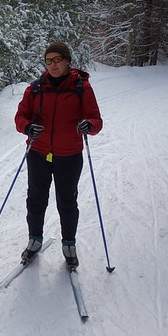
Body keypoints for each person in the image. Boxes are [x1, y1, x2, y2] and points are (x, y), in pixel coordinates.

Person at [14, 41, 102, 269]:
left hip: (69, 155)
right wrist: (27, 127)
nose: (52, 65)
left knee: (66, 201)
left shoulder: (81, 87)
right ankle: (34, 241)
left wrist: (88, 125)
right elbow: (21, 116)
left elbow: (96, 120)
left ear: (67, 61)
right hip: (38, 152)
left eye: (57, 60)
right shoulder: (35, 88)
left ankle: (69, 245)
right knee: (36, 199)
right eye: (48, 60)